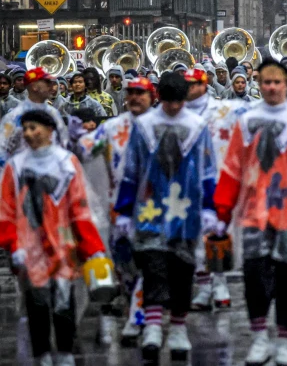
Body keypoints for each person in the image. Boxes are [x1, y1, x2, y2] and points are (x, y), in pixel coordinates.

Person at [213, 59, 287, 366]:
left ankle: (285, 340)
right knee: (254, 276)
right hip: (254, 214)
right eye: (266, 82)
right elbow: (232, 167)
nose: (271, 87)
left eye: (277, 82)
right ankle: (259, 337)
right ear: (259, 84)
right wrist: (221, 212)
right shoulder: (246, 122)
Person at [113, 72, 218, 361]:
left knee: (183, 269)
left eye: (178, 101)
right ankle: (153, 327)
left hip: (186, 211)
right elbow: (131, 169)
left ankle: (179, 328)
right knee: (153, 266)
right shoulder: (145, 126)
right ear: (160, 97)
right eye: (168, 101)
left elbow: (209, 169)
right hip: (149, 209)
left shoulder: (197, 126)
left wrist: (210, 206)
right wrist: (123, 211)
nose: (173, 107)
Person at [0, 109, 108, 366]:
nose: (28, 134)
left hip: (63, 245)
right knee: (36, 303)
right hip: (29, 247)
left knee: (63, 301)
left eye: (34, 128)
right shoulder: (15, 167)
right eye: (25, 129)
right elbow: (7, 209)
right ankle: (42, 354)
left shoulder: (67, 163)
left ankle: (65, 352)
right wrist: (12, 243)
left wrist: (93, 247)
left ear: (50, 131)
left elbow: (80, 208)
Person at [79, 76, 158, 346]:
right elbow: (85, 149)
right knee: (125, 268)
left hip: (153, 209)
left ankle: (141, 319)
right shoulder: (113, 127)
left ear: (152, 96)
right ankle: (135, 310)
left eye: (141, 93)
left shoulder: (161, 126)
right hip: (118, 209)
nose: (135, 97)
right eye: (131, 93)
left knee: (151, 264)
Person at [184, 68, 249, 313]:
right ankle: (203, 287)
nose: (192, 88)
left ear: (205, 84)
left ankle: (220, 284)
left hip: (219, 180)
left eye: (196, 84)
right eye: (187, 84)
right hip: (188, 183)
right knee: (195, 238)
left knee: (219, 234)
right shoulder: (176, 113)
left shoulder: (223, 110)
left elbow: (253, 115)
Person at [0, 67, 69, 162]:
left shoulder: (54, 114)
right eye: (47, 82)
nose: (51, 86)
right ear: (34, 86)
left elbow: (63, 143)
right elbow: (3, 148)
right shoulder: (15, 116)